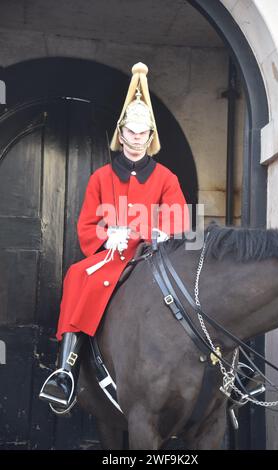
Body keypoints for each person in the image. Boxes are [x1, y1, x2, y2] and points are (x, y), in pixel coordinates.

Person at [39, 62, 190, 412]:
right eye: (131, 133)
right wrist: (109, 236)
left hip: (154, 253)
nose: (136, 140)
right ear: (121, 134)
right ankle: (66, 372)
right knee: (78, 276)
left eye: (142, 134)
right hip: (114, 255)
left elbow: (180, 218)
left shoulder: (166, 177)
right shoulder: (101, 177)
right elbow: (86, 227)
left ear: (149, 137)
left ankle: (224, 375)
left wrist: (158, 231)